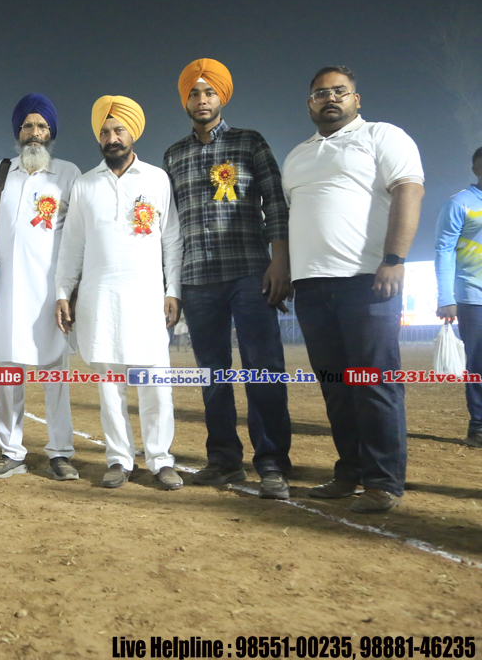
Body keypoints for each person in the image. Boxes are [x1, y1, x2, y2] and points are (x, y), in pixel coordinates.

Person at [282, 66, 424, 514]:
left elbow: (409, 191)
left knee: (374, 382)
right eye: (320, 93)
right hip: (311, 286)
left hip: (367, 281)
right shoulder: (297, 156)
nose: (330, 98)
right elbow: (293, 218)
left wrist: (394, 259)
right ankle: (350, 471)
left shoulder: (382, 136)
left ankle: (383, 481)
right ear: (309, 104)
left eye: (339, 91)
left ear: (356, 99)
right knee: (336, 387)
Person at [161, 58, 293, 500]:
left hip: (250, 272)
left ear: (222, 97)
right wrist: (171, 285)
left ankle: (272, 463)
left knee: (264, 369)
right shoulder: (173, 156)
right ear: (185, 101)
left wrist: (280, 261)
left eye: (209, 92)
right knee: (212, 375)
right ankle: (223, 460)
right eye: (194, 93)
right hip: (198, 279)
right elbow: (169, 226)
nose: (202, 100)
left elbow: (275, 203)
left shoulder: (249, 142)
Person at [55, 96, 184, 490]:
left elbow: (172, 239)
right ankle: (119, 459)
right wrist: (63, 291)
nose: (111, 138)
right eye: (105, 132)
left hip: (147, 299)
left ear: (133, 134)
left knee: (155, 385)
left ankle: (160, 459)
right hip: (100, 300)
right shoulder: (85, 184)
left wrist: (173, 289)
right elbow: (72, 245)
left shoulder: (156, 179)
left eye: (118, 130)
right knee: (110, 387)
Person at [0, 93, 80, 481]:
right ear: (18, 132)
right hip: (8, 294)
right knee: (8, 377)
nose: (35, 132)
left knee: (55, 377)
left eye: (42, 126)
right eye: (28, 125)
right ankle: (11, 451)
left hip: (52, 295)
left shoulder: (67, 174)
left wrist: (72, 289)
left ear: (52, 133)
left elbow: (78, 236)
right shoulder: (2, 172)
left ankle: (60, 452)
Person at [435, 147, 482, 446]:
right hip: (473, 297)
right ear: (476, 168)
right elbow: (444, 250)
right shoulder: (459, 203)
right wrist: (445, 296)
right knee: (478, 363)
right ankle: (479, 425)